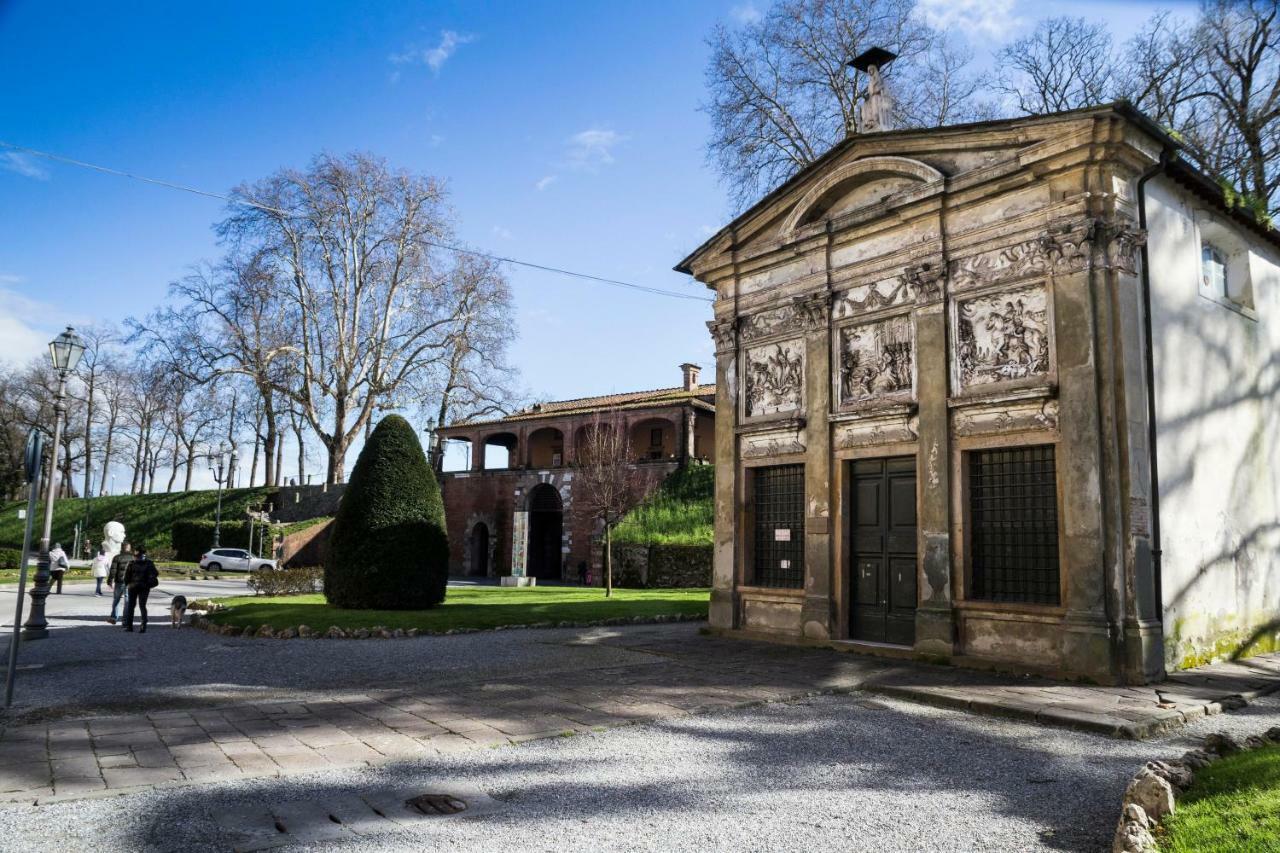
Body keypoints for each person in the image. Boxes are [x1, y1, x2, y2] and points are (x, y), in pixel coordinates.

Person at [122, 543, 159, 633]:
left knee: (131, 606)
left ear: (136, 553)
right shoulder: (149, 563)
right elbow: (156, 573)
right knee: (142, 606)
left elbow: (126, 577)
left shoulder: (131, 563)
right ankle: (143, 626)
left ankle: (129, 626)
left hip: (133, 586)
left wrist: (127, 584)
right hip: (144, 587)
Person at [106, 542, 133, 625]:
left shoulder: (117, 557)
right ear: (129, 548)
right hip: (130, 582)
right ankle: (125, 620)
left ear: (121, 548)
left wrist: (110, 580)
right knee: (127, 601)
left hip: (119, 582)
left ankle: (114, 617)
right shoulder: (133, 558)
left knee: (116, 599)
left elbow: (113, 570)